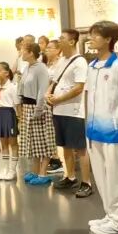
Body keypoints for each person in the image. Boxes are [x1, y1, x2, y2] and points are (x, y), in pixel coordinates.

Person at [85, 21, 118, 234]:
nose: (91, 38)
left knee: (116, 177)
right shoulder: (92, 66)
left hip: (114, 131)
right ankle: (110, 214)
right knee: (101, 175)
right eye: (91, 34)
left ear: (108, 39)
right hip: (93, 129)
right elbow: (89, 96)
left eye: (96, 35)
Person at [46, 29, 93, 197]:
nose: (59, 40)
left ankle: (86, 182)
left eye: (62, 38)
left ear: (72, 41)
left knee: (80, 148)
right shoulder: (62, 61)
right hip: (59, 110)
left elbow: (79, 88)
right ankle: (70, 177)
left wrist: (58, 99)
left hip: (73, 112)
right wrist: (48, 93)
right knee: (65, 146)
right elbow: (54, 82)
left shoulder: (80, 62)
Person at [18, 42, 56, 186]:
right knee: (33, 142)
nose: (21, 53)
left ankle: (43, 173)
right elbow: (21, 87)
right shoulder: (27, 67)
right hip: (27, 106)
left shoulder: (41, 68)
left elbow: (42, 90)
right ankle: (35, 171)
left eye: (23, 51)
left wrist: (38, 109)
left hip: (37, 107)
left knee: (43, 141)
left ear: (31, 53)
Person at [0, 62, 20, 180]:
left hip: (9, 114)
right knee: (3, 144)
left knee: (13, 144)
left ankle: (12, 170)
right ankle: (3, 168)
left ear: (7, 73)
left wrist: (20, 120)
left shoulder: (13, 87)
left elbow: (17, 105)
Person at [44, 39, 65, 175]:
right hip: (47, 100)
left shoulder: (61, 64)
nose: (47, 50)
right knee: (50, 131)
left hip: (56, 100)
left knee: (55, 130)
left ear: (58, 50)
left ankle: (58, 160)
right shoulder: (48, 65)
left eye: (50, 48)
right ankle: (54, 158)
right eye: (46, 48)